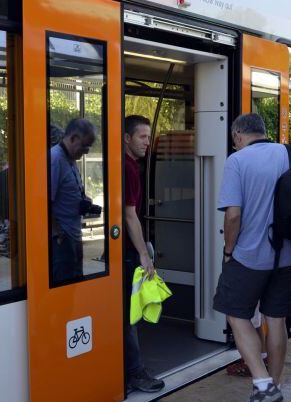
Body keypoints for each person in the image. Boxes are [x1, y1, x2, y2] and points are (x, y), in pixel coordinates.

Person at [213, 113, 291, 402]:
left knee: (236, 315)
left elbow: (233, 215)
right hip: (287, 256)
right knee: (275, 320)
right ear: (263, 131)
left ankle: (263, 385)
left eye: (234, 140)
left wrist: (228, 251)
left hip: (248, 258)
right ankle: (274, 385)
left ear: (238, 135)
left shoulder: (237, 161)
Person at [122, 115, 165, 393]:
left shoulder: (128, 165)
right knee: (130, 314)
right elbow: (130, 216)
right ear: (127, 138)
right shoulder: (128, 168)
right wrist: (143, 255)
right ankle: (136, 373)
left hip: (125, 249)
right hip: (127, 251)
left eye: (149, 137)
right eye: (142, 137)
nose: (148, 142)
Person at [49, 118, 96, 283]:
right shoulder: (55, 159)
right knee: (65, 287)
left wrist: (83, 199)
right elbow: (44, 202)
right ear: (74, 138)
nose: (86, 152)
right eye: (85, 146)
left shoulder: (70, 159)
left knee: (75, 284)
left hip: (73, 233)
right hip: (63, 238)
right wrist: (57, 233)